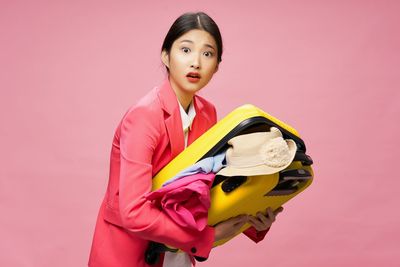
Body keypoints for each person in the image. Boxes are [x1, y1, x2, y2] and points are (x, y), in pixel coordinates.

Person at [88, 11, 283, 267]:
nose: (196, 63)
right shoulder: (143, 116)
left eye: (207, 53)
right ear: (166, 56)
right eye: (186, 50)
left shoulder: (208, 113)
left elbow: (207, 190)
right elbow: (133, 212)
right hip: (128, 254)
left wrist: (253, 221)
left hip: (177, 256)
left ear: (217, 66)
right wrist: (206, 238)